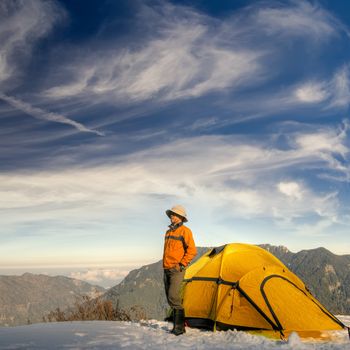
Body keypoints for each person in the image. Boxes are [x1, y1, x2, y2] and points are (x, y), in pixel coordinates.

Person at [163, 205, 197, 336]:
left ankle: (179, 328)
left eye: (175, 215)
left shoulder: (185, 231)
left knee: (173, 296)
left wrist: (181, 265)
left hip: (177, 269)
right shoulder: (168, 232)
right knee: (169, 297)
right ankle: (178, 324)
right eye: (171, 214)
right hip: (166, 268)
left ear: (181, 217)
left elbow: (192, 251)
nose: (172, 216)